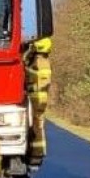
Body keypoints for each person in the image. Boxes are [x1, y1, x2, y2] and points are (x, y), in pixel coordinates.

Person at [23, 37, 52, 165]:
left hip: (36, 96)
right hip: (39, 95)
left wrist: (24, 66)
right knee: (37, 122)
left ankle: (36, 153)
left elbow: (37, 78)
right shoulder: (42, 60)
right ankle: (36, 152)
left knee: (35, 122)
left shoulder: (40, 62)